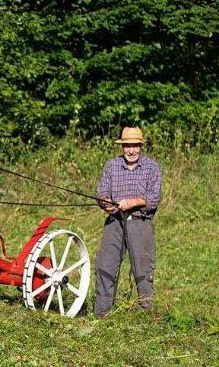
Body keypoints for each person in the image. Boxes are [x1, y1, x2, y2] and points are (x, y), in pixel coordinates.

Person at [94, 126, 162, 317]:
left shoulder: (152, 167)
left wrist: (131, 203)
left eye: (135, 146)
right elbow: (100, 191)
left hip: (139, 222)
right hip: (114, 222)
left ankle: (145, 314)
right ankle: (102, 313)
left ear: (141, 145)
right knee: (105, 266)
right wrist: (104, 200)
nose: (131, 150)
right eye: (127, 146)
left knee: (143, 268)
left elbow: (153, 199)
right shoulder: (111, 165)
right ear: (122, 146)